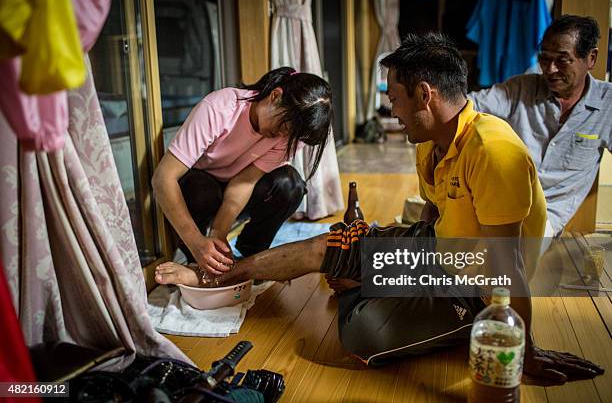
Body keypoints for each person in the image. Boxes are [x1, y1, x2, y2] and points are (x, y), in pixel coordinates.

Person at [155, 34, 604, 384]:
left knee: (361, 336)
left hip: (477, 286)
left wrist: (520, 346)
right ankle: (217, 275)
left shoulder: (493, 150)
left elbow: (507, 268)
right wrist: (389, 245)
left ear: (425, 95)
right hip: (438, 250)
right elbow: (432, 213)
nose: (391, 111)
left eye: (395, 98)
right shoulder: (430, 143)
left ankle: (441, 316)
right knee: (329, 244)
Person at [152, 67, 333, 281]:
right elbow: (163, 177)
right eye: (284, 126)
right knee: (201, 189)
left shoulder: (290, 136)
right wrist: (196, 240)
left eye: (290, 134)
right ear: (275, 96)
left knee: (290, 184)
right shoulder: (220, 108)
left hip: (238, 191)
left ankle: (250, 257)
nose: (283, 136)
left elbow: (244, 182)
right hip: (201, 190)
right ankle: (194, 257)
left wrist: (218, 234)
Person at [469, 15, 612, 237]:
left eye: (562, 60)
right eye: (544, 58)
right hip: (497, 198)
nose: (550, 69)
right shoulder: (522, 88)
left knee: (509, 258)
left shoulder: (608, 105)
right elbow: (470, 105)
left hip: (546, 217)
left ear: (591, 58)